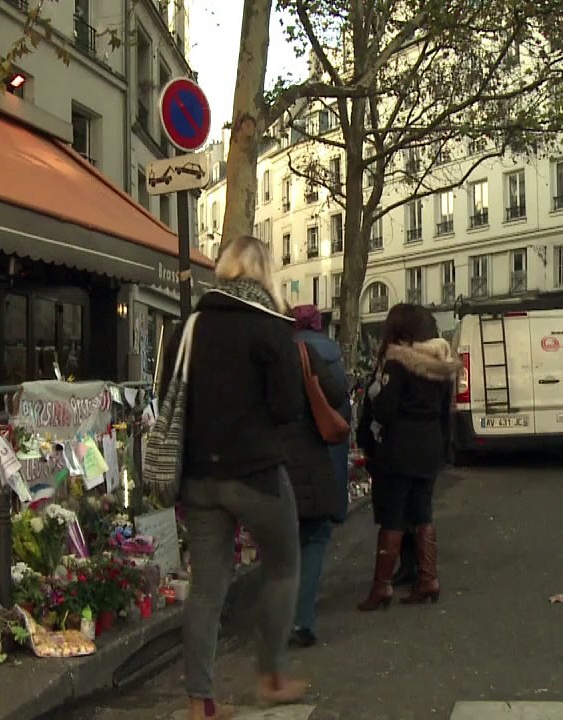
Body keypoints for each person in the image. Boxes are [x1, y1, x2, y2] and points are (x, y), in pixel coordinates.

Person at [159, 236, 343, 720]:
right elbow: (286, 409)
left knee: (206, 588)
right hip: (256, 475)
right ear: (264, 273)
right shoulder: (269, 328)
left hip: (199, 478)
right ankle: (272, 675)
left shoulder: (189, 327)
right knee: (283, 567)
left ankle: (200, 700)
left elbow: (168, 396)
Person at [356, 303, 457, 611]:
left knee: (393, 516)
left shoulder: (398, 363)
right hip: (429, 447)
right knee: (422, 513)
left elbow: (385, 409)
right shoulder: (442, 365)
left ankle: (381, 586)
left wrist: (373, 395)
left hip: (399, 447)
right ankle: (428, 579)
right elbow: (445, 413)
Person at [285, 305, 350, 648]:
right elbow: (339, 395)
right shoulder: (309, 353)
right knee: (314, 539)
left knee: (283, 546)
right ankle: (302, 620)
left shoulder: (263, 358)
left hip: (273, 466)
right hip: (311, 459)